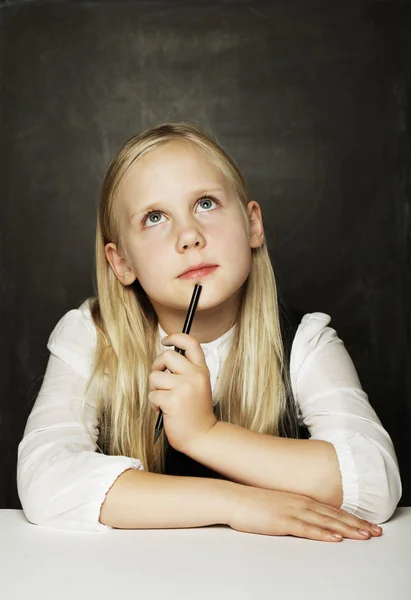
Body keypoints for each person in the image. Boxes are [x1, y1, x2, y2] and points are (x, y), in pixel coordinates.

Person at [17, 122, 401, 541]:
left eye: (205, 203)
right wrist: (235, 502)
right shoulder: (91, 337)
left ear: (252, 224)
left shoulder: (305, 341)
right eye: (155, 217)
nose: (189, 236)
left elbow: (375, 484)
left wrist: (205, 433)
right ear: (121, 262)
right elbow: (44, 478)